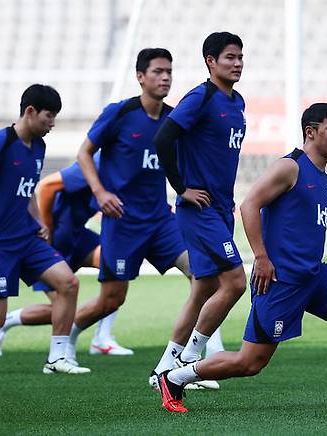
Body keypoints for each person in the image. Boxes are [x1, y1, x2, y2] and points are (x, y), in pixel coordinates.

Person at [157, 103, 327, 413]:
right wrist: (261, 257)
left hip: (314, 276)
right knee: (249, 363)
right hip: (280, 282)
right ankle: (175, 377)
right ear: (310, 132)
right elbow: (249, 205)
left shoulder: (323, 175)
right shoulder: (290, 167)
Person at [70, 48, 197, 369]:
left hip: (160, 220)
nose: (165, 77)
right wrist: (100, 193)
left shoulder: (174, 119)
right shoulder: (120, 113)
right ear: (140, 77)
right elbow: (84, 154)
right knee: (111, 300)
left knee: (202, 275)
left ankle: (191, 358)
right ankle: (63, 343)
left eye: (169, 71)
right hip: (122, 222)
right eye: (157, 71)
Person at [0, 84, 89, 374]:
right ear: (30, 112)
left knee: (68, 283)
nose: (52, 123)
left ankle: (57, 358)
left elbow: (25, 189)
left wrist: (38, 220)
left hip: (28, 240)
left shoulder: (39, 145)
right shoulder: (1, 142)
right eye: (48, 116)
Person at [152, 32, 247, 374]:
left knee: (204, 287)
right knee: (236, 282)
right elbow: (163, 137)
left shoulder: (238, 102)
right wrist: (182, 188)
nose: (237, 63)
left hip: (221, 209)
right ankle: (191, 355)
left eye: (240, 57)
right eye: (229, 58)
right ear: (211, 61)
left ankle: (164, 366)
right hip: (199, 210)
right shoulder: (201, 97)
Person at [0, 154, 133, 357]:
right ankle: (4, 324)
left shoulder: (124, 166)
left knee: (115, 269)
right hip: (53, 238)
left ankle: (102, 338)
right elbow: (46, 186)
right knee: (61, 311)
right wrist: (46, 229)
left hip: (78, 235)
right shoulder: (96, 162)